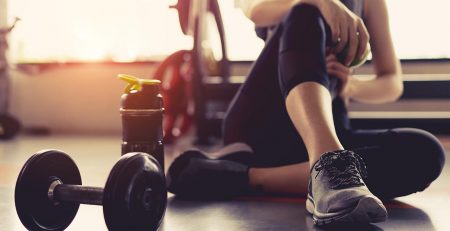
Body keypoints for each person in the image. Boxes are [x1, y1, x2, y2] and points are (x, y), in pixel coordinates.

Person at [166, 0, 446, 226]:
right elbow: (256, 11)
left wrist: (353, 87)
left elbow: (392, 82)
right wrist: (320, 2)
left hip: (330, 128)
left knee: (426, 152)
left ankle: (247, 176)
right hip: (262, 124)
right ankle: (330, 165)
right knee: (305, 11)